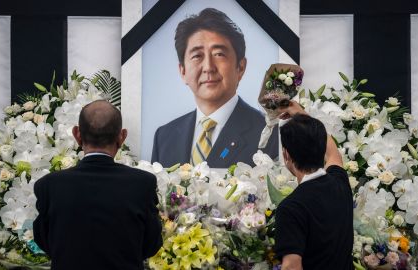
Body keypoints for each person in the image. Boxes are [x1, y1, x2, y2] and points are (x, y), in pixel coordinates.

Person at [33, 100, 162, 270]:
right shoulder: (143, 183)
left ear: (77, 134)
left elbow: (44, 241)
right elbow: (151, 244)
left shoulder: (48, 185)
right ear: (122, 136)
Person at [151, 8, 278, 168]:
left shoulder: (270, 133)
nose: (208, 67)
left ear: (240, 67)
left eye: (219, 54)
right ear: (183, 71)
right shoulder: (164, 137)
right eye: (197, 56)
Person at [274, 101, 354, 270]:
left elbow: (291, 267)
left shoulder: (290, 208)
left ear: (286, 154)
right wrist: (301, 114)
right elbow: (333, 154)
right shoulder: (340, 183)